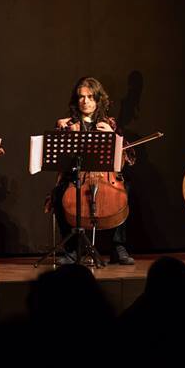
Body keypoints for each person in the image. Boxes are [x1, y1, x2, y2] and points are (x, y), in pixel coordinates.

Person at [49, 76, 134, 265]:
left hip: (105, 177)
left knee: (125, 189)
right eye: (81, 97)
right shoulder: (68, 124)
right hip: (76, 177)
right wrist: (60, 131)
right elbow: (58, 157)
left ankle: (117, 246)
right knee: (59, 193)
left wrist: (113, 137)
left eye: (90, 97)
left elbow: (129, 156)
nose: (85, 101)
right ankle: (71, 249)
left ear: (98, 99)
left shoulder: (110, 123)